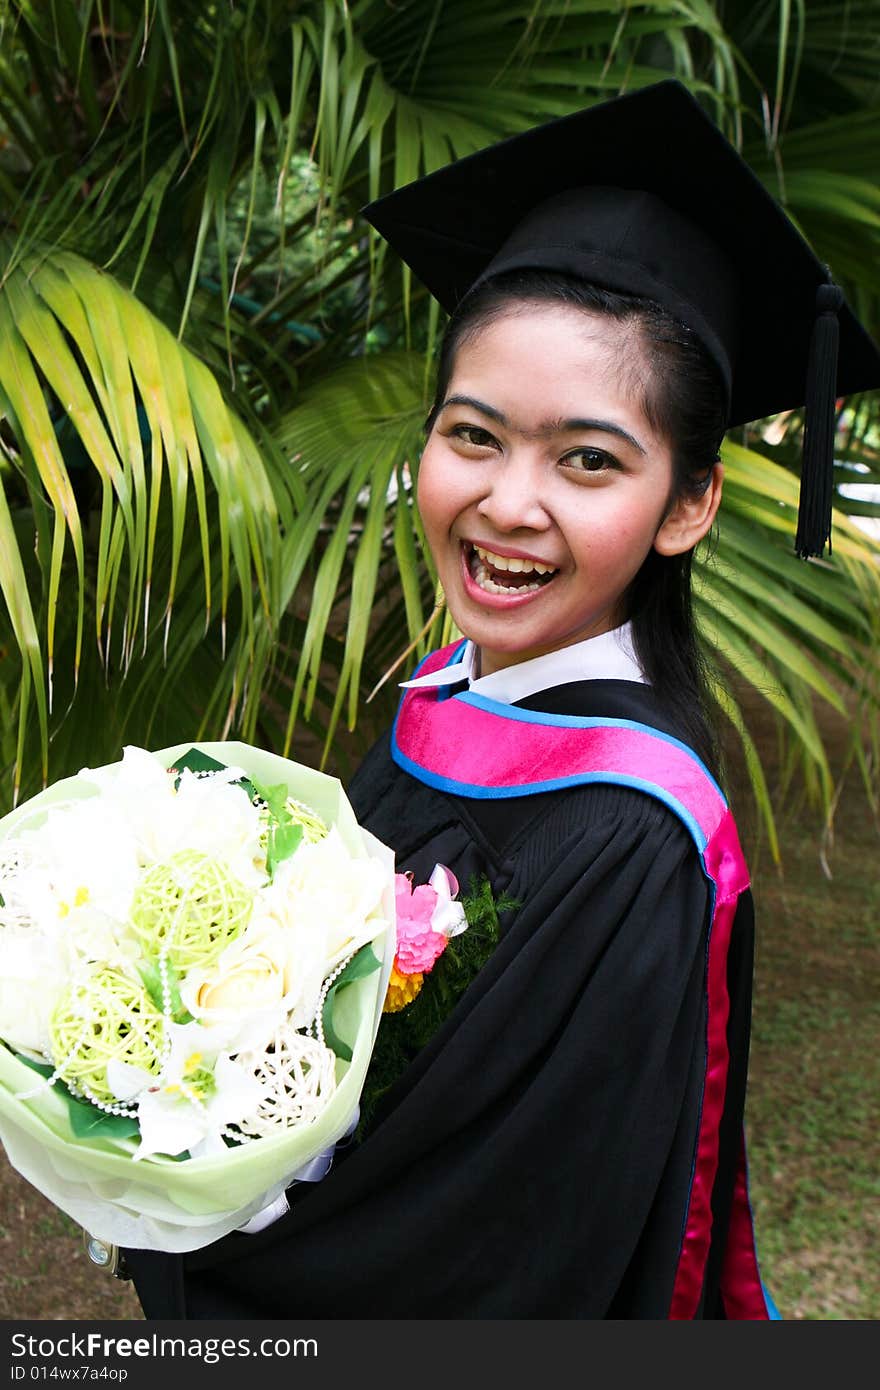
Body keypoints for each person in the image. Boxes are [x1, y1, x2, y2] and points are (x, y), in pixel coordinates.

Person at [124, 79, 880, 1319]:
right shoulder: (453, 697)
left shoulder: (630, 837)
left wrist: (176, 1215)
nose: (508, 503)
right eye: (473, 435)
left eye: (589, 460)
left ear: (689, 503)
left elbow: (488, 1253)